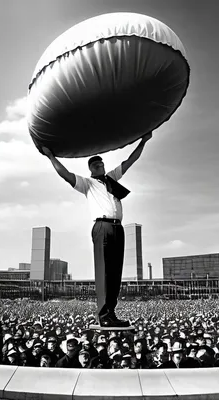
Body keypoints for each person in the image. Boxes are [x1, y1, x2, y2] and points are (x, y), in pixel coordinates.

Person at [42, 132, 152, 327]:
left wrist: (143, 142)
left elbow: (130, 161)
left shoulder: (112, 178)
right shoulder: (87, 183)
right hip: (102, 226)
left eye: (100, 162)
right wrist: (51, 156)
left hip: (118, 228)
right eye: (94, 164)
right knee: (104, 270)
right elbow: (65, 174)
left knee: (116, 272)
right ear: (90, 169)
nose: (98, 164)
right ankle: (103, 315)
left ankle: (111, 312)